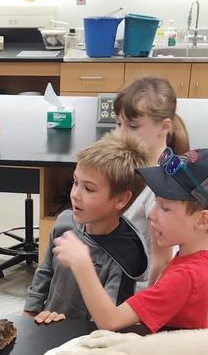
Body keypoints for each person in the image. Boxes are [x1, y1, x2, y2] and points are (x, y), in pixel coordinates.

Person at [53, 148, 208, 332]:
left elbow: (111, 321)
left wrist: (82, 265)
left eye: (165, 208)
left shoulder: (184, 276)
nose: (151, 214)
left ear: (202, 220)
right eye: (155, 202)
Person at [24, 132, 149, 324]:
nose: (75, 194)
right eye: (75, 182)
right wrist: (30, 315)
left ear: (121, 199)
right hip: (49, 326)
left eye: (89, 189)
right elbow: (45, 271)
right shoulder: (65, 222)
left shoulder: (125, 258)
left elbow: (108, 324)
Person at [114, 75, 191, 286]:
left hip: (136, 291)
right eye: (118, 123)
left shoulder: (163, 184)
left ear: (164, 126)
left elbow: (162, 261)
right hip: (118, 276)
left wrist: (144, 311)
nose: (120, 134)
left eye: (132, 126)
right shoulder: (135, 165)